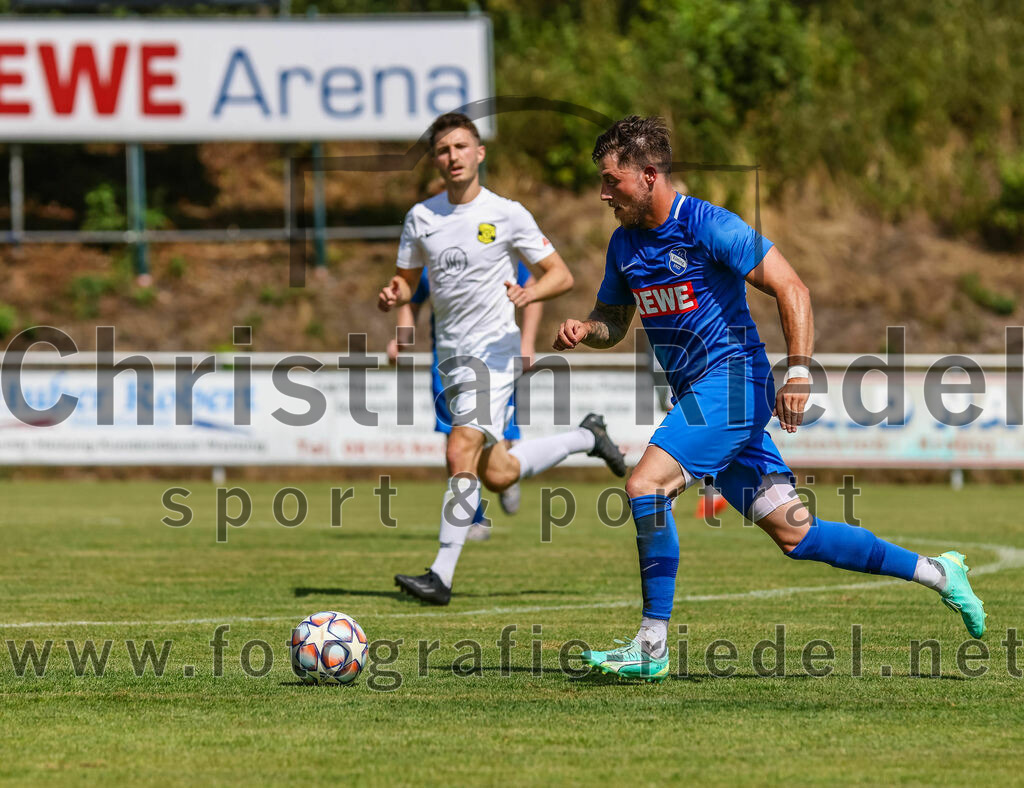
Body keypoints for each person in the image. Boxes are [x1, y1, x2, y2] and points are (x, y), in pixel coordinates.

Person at [554, 115, 986, 681]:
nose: (603, 193)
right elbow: (613, 319)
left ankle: (651, 644)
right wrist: (589, 330)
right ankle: (937, 572)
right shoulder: (624, 245)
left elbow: (792, 286)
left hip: (733, 387)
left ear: (650, 175)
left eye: (612, 181)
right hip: (701, 393)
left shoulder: (708, 225)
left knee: (644, 484)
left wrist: (800, 374)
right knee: (796, 533)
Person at [378, 112, 627, 605]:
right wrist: (394, 296)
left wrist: (530, 293)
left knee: (458, 451)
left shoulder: (506, 213)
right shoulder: (421, 217)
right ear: (436, 159)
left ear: (479, 153)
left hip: (493, 352)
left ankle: (440, 576)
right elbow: (406, 281)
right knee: (497, 473)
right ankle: (587, 435)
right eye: (443, 149)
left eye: (461, 147)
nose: (452, 157)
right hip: (448, 356)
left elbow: (560, 275)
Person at [387, 260, 542, 539]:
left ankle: (506, 472)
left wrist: (527, 342)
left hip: (496, 360)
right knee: (455, 442)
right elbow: (411, 297)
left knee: (497, 442)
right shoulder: (434, 255)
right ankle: (473, 519)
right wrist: (401, 338)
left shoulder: (496, 247)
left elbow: (533, 289)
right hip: (448, 364)